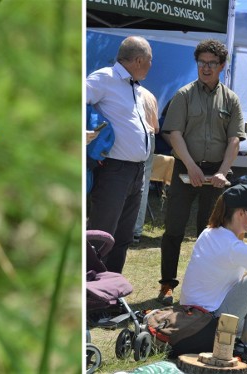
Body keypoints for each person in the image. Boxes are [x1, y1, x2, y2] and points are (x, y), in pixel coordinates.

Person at [157, 38, 245, 305]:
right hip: (186, 167)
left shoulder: (231, 99)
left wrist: (223, 172)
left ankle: (206, 286)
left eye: (211, 64)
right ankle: (167, 285)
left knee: (211, 232)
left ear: (222, 67)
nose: (205, 68)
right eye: (201, 63)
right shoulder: (184, 94)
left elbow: (234, 140)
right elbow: (174, 134)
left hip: (218, 173)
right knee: (174, 228)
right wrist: (192, 167)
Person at [173, 184, 247, 356]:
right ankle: (246, 340)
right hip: (211, 320)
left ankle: (236, 338)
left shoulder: (208, 233)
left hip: (192, 315)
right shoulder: (234, 247)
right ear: (241, 213)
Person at [86, 36, 153, 273]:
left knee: (123, 237)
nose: (150, 66)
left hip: (137, 171)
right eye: (150, 61)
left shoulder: (135, 87)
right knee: (102, 236)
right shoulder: (105, 78)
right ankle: (92, 299)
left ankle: (112, 294)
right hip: (114, 170)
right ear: (139, 60)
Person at [133, 87, 159, 244]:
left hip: (135, 137)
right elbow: (156, 128)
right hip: (150, 136)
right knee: (144, 185)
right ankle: (136, 230)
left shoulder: (124, 92)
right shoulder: (150, 95)